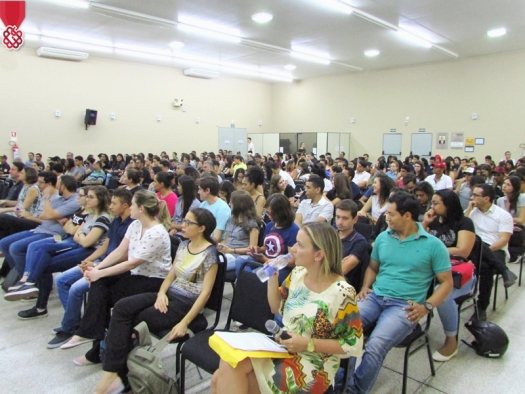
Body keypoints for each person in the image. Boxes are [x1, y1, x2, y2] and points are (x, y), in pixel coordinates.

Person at [212, 222, 363, 394]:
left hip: (313, 363)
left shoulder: (342, 292)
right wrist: (272, 278)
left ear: (318, 254)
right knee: (227, 366)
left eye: (300, 245)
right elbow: (275, 307)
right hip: (284, 347)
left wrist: (308, 343)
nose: (292, 249)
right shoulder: (299, 273)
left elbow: (352, 345)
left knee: (222, 378)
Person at [92, 208, 218, 394]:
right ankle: (114, 375)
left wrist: (185, 323)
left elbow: (205, 295)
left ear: (201, 228)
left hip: (186, 304)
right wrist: (161, 294)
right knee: (122, 307)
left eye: (188, 223)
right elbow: (171, 275)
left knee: (134, 318)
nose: (182, 225)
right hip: (170, 295)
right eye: (184, 220)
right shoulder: (184, 246)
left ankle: (116, 375)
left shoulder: (210, 254)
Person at [341, 191, 453, 393]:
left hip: (404, 306)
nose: (386, 218)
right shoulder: (384, 238)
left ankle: (354, 390)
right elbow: (373, 268)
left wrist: (427, 306)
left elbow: (446, 283)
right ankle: (341, 383)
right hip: (375, 297)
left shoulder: (434, 246)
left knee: (375, 344)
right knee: (342, 328)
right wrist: (366, 286)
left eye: (391, 214)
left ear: (407, 215)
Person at [61, 190, 172, 368]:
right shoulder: (135, 225)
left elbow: (131, 263)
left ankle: (94, 345)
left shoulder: (157, 233)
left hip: (152, 280)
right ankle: (89, 336)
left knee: (102, 295)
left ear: (141, 208)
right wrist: (96, 269)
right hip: (136, 274)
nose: (131, 208)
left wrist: (99, 272)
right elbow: (119, 251)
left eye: (133, 205)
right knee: (99, 285)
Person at [5, 187, 112, 321]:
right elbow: (73, 232)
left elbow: (86, 242)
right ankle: (33, 292)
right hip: (77, 244)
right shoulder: (90, 214)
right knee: (38, 251)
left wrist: (80, 235)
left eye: (91, 197)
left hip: (90, 252)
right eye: (88, 196)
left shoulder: (103, 218)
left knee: (43, 262)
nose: (87, 199)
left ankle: (33, 287)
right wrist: (81, 235)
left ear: (100, 199)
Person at [48, 189, 134, 348]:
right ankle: (74, 321)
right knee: (61, 280)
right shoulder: (116, 221)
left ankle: (70, 328)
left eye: (114, 203)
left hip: (112, 267)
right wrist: (87, 260)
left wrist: (96, 266)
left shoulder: (132, 225)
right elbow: (106, 246)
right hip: (102, 261)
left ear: (125, 205)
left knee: (75, 288)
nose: (111, 205)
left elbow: (124, 255)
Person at [421, 189, 476, 362]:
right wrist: (425, 223)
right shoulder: (434, 221)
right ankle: (408, 327)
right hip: (434, 271)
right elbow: (418, 242)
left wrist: (436, 251)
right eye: (432, 202)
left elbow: (463, 251)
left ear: (448, 205)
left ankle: (451, 341)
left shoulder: (464, 222)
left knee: (442, 294)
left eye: (436, 203)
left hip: (459, 274)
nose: (432, 206)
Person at [0, 175, 80, 278]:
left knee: (15, 247)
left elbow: (49, 215)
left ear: (63, 187)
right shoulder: (59, 199)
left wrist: (47, 200)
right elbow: (43, 215)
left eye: (58, 184)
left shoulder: (74, 201)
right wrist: (55, 215)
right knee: (4, 243)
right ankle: (21, 275)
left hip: (53, 233)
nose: (56, 187)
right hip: (40, 228)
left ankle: (27, 279)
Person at [465, 184, 517, 320]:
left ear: (486, 198)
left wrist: (485, 250)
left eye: (476, 195)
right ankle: (504, 270)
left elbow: (504, 240)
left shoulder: (503, 215)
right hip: (473, 247)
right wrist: (469, 209)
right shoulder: (471, 211)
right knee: (475, 239)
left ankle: (481, 307)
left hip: (495, 249)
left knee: (486, 267)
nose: (472, 197)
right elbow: (463, 229)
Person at [234, 194, 298, 284]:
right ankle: (247, 283)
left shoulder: (293, 230)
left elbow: (292, 261)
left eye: (271, 213)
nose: (268, 216)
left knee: (252, 276)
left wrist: (266, 259)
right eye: (267, 213)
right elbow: (266, 247)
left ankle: (246, 283)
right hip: (265, 259)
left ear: (281, 213)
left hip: (279, 266)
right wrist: (257, 250)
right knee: (240, 261)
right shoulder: (269, 226)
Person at [219, 190, 260, 269]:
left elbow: (251, 250)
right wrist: (220, 246)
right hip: (226, 253)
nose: (229, 204)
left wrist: (231, 250)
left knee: (217, 265)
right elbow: (226, 239)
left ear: (239, 205)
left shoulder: (252, 225)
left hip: (240, 257)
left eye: (231, 202)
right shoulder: (231, 219)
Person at [336, 200, 369, 291]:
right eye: (338, 217)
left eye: (345, 218)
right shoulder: (329, 235)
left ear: (355, 219)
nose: (339, 222)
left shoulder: (359, 242)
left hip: (343, 288)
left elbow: (342, 270)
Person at [496, 175, 525, 262]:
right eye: (504, 183)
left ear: (515, 187)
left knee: (515, 233)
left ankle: (517, 253)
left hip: (519, 226)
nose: (504, 186)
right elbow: (497, 218)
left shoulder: (522, 198)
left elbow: (521, 219)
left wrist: (508, 221)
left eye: (508, 185)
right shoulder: (500, 200)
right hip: (504, 226)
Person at [199, 176, 231, 242]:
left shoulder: (222, 209)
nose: (198, 192)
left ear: (207, 190)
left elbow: (216, 238)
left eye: (200, 189)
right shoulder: (203, 204)